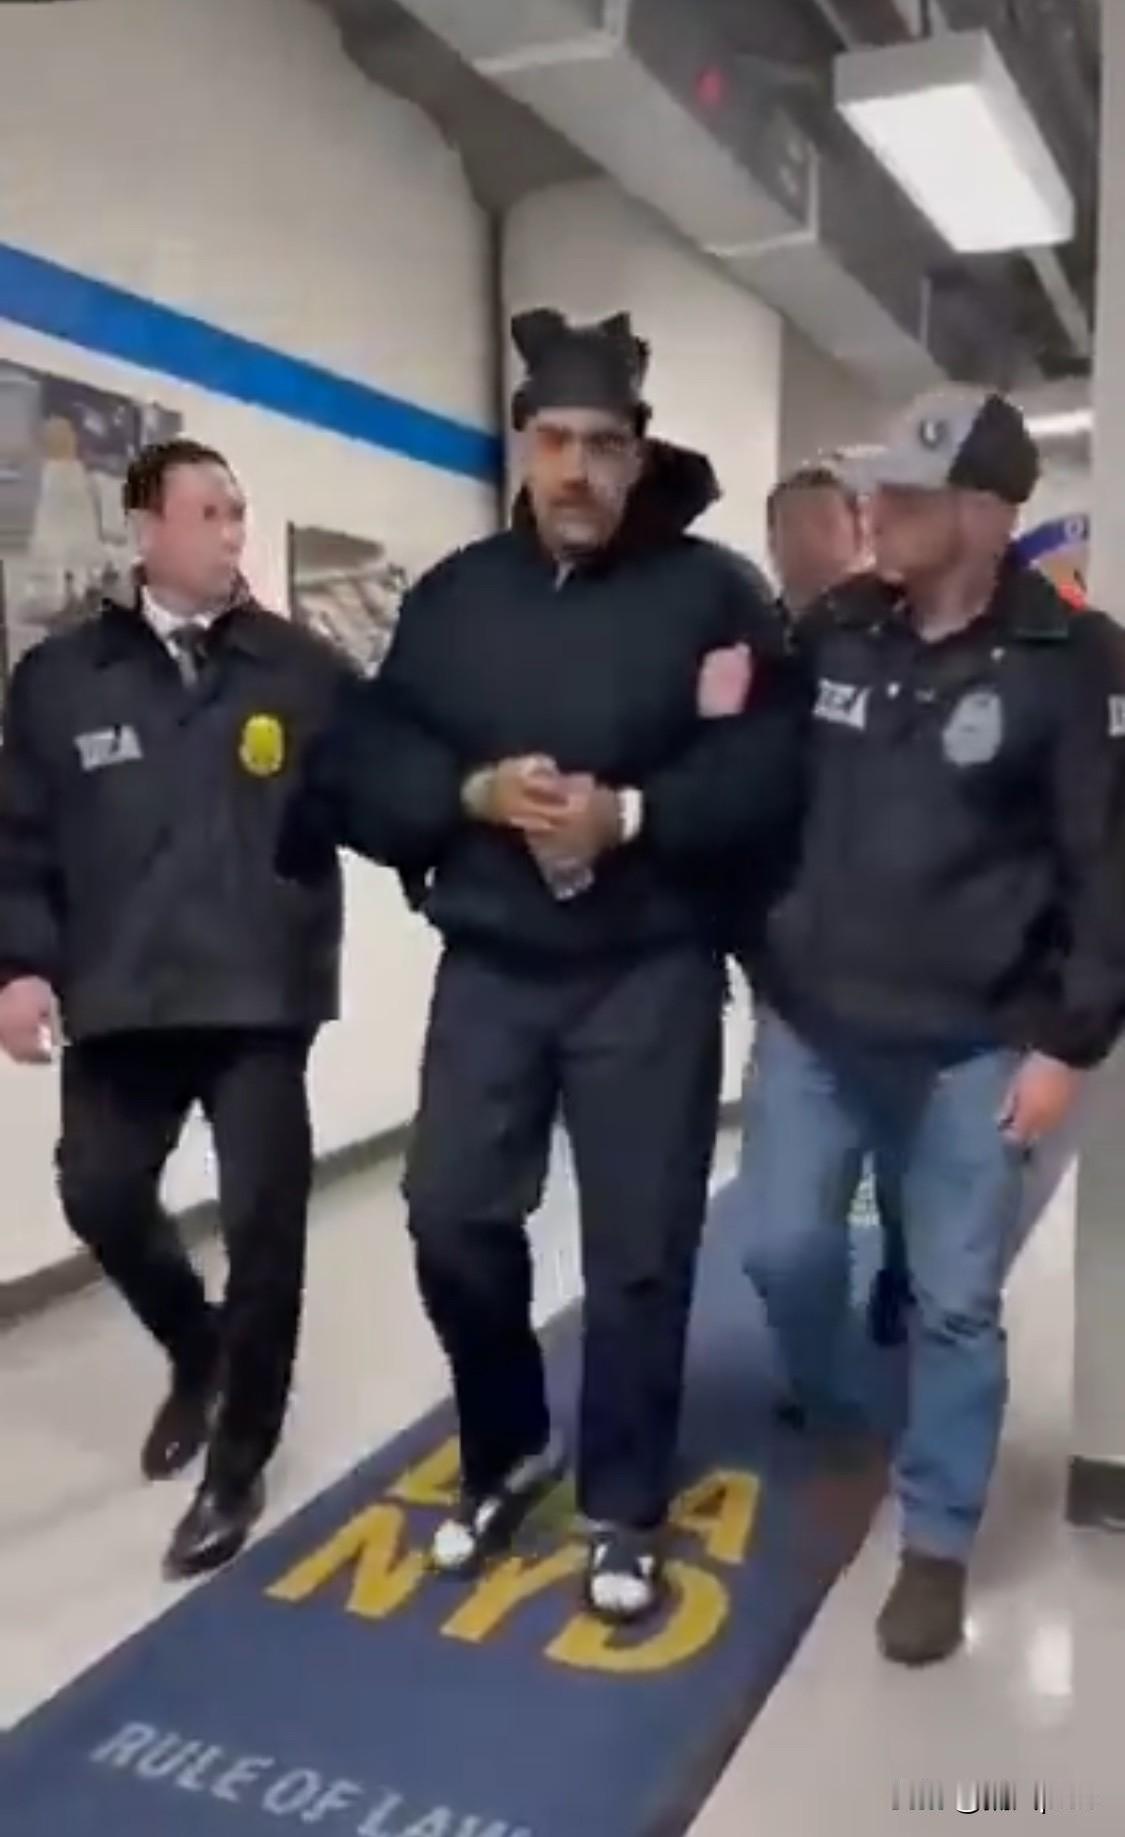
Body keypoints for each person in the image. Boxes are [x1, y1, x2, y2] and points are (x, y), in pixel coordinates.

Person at [281, 308, 803, 1624]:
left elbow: (772, 768)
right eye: (557, 441)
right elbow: (364, 756)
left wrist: (633, 814)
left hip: (650, 970)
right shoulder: (458, 599)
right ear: (524, 446)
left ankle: (625, 1502)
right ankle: (508, 1446)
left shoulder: (714, 595)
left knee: (639, 1252)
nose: (578, 468)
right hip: (495, 967)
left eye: (604, 445)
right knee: (449, 1215)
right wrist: (467, 791)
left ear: (638, 454)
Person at [735, 388, 1125, 1666]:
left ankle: (938, 1538)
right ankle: (846, 1410)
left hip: (974, 1045)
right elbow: (762, 786)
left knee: (955, 1302)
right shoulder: (839, 628)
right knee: (782, 1250)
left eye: (907, 493)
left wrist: (1069, 1042)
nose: (878, 511)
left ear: (987, 513)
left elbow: (1106, 867)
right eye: (878, 489)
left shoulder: (1076, 661)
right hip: (814, 1023)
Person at [0, 439, 348, 1579]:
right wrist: (18, 966)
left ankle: (237, 1460)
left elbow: (385, 781)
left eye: (240, 512)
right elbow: (19, 837)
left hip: (258, 994)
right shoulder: (59, 679)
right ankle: (198, 1348)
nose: (233, 532)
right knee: (98, 1192)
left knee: (264, 1226)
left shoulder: (300, 667)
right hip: (124, 989)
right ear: (145, 528)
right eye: (210, 512)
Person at [764, 461, 911, 1347]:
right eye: (789, 530)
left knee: (898, 1153)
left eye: (821, 526)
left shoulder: (895, 635)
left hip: (903, 956)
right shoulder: (760, 646)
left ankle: (900, 1267)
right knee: (791, 1214)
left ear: (854, 532)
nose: (804, 546)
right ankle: (819, 1376)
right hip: (794, 956)